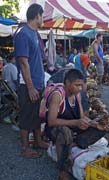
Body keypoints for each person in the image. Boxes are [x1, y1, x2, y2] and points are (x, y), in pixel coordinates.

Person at [46, 69, 109, 180]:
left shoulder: (77, 95)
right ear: (67, 82)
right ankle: (62, 169)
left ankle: (74, 143)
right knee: (65, 133)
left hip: (72, 126)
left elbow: (81, 118)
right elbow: (51, 121)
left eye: (81, 85)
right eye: (77, 85)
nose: (80, 88)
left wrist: (95, 125)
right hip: (55, 129)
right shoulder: (58, 95)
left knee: (101, 128)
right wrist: (76, 122)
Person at [14, 3, 49, 158]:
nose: (43, 19)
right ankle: (24, 147)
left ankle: (37, 142)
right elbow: (23, 62)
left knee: (36, 114)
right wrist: (30, 87)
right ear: (37, 16)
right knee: (27, 115)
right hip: (27, 84)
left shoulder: (34, 33)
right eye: (42, 16)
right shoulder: (23, 33)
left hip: (37, 82)